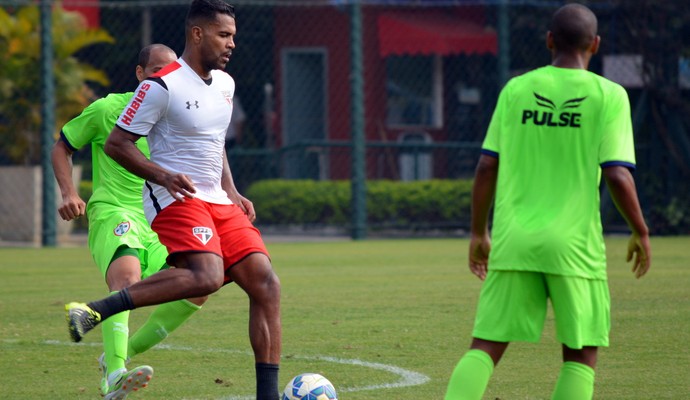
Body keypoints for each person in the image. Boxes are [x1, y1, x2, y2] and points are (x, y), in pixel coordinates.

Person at [64, 1, 282, 399]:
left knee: (265, 283)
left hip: (217, 200)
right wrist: (163, 176)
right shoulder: (160, 86)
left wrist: (231, 191)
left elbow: (214, 144)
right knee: (207, 276)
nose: (232, 43)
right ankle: (100, 309)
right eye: (223, 35)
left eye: (233, 35)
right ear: (197, 34)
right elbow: (117, 144)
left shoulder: (226, 85)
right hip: (174, 198)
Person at [444, 4, 651, 400]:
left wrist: (477, 232)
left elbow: (486, 167)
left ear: (549, 40)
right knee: (580, 354)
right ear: (596, 44)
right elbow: (617, 174)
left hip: (514, 240)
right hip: (574, 247)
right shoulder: (609, 95)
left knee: (485, 345)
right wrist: (640, 230)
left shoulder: (516, 89)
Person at [53, 43, 208, 400]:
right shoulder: (108, 108)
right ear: (140, 75)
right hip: (114, 210)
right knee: (126, 275)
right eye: (156, 71)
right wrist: (68, 193)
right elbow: (62, 145)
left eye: (171, 73)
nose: (164, 78)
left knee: (200, 286)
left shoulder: (180, 117)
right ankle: (116, 376)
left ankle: (117, 359)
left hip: (159, 218)